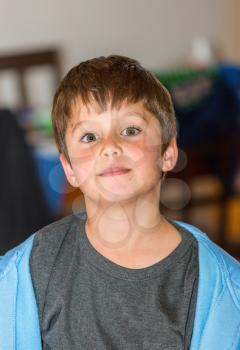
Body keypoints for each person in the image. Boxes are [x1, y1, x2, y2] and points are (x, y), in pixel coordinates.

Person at [0, 55, 240, 350]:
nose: (110, 147)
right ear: (69, 169)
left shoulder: (224, 290)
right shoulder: (22, 276)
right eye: (89, 137)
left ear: (168, 152)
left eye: (130, 131)